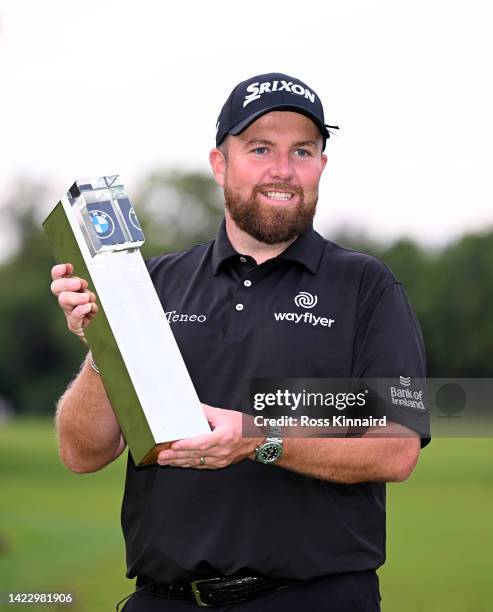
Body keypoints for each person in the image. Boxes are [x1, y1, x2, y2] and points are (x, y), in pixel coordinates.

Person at [50, 72, 430, 611]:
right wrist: (103, 342)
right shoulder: (153, 285)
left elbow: (396, 449)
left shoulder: (367, 287)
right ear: (219, 164)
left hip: (313, 600)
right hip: (164, 600)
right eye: (259, 148)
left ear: (322, 164)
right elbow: (83, 453)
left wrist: (257, 439)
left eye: (303, 150)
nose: (283, 169)